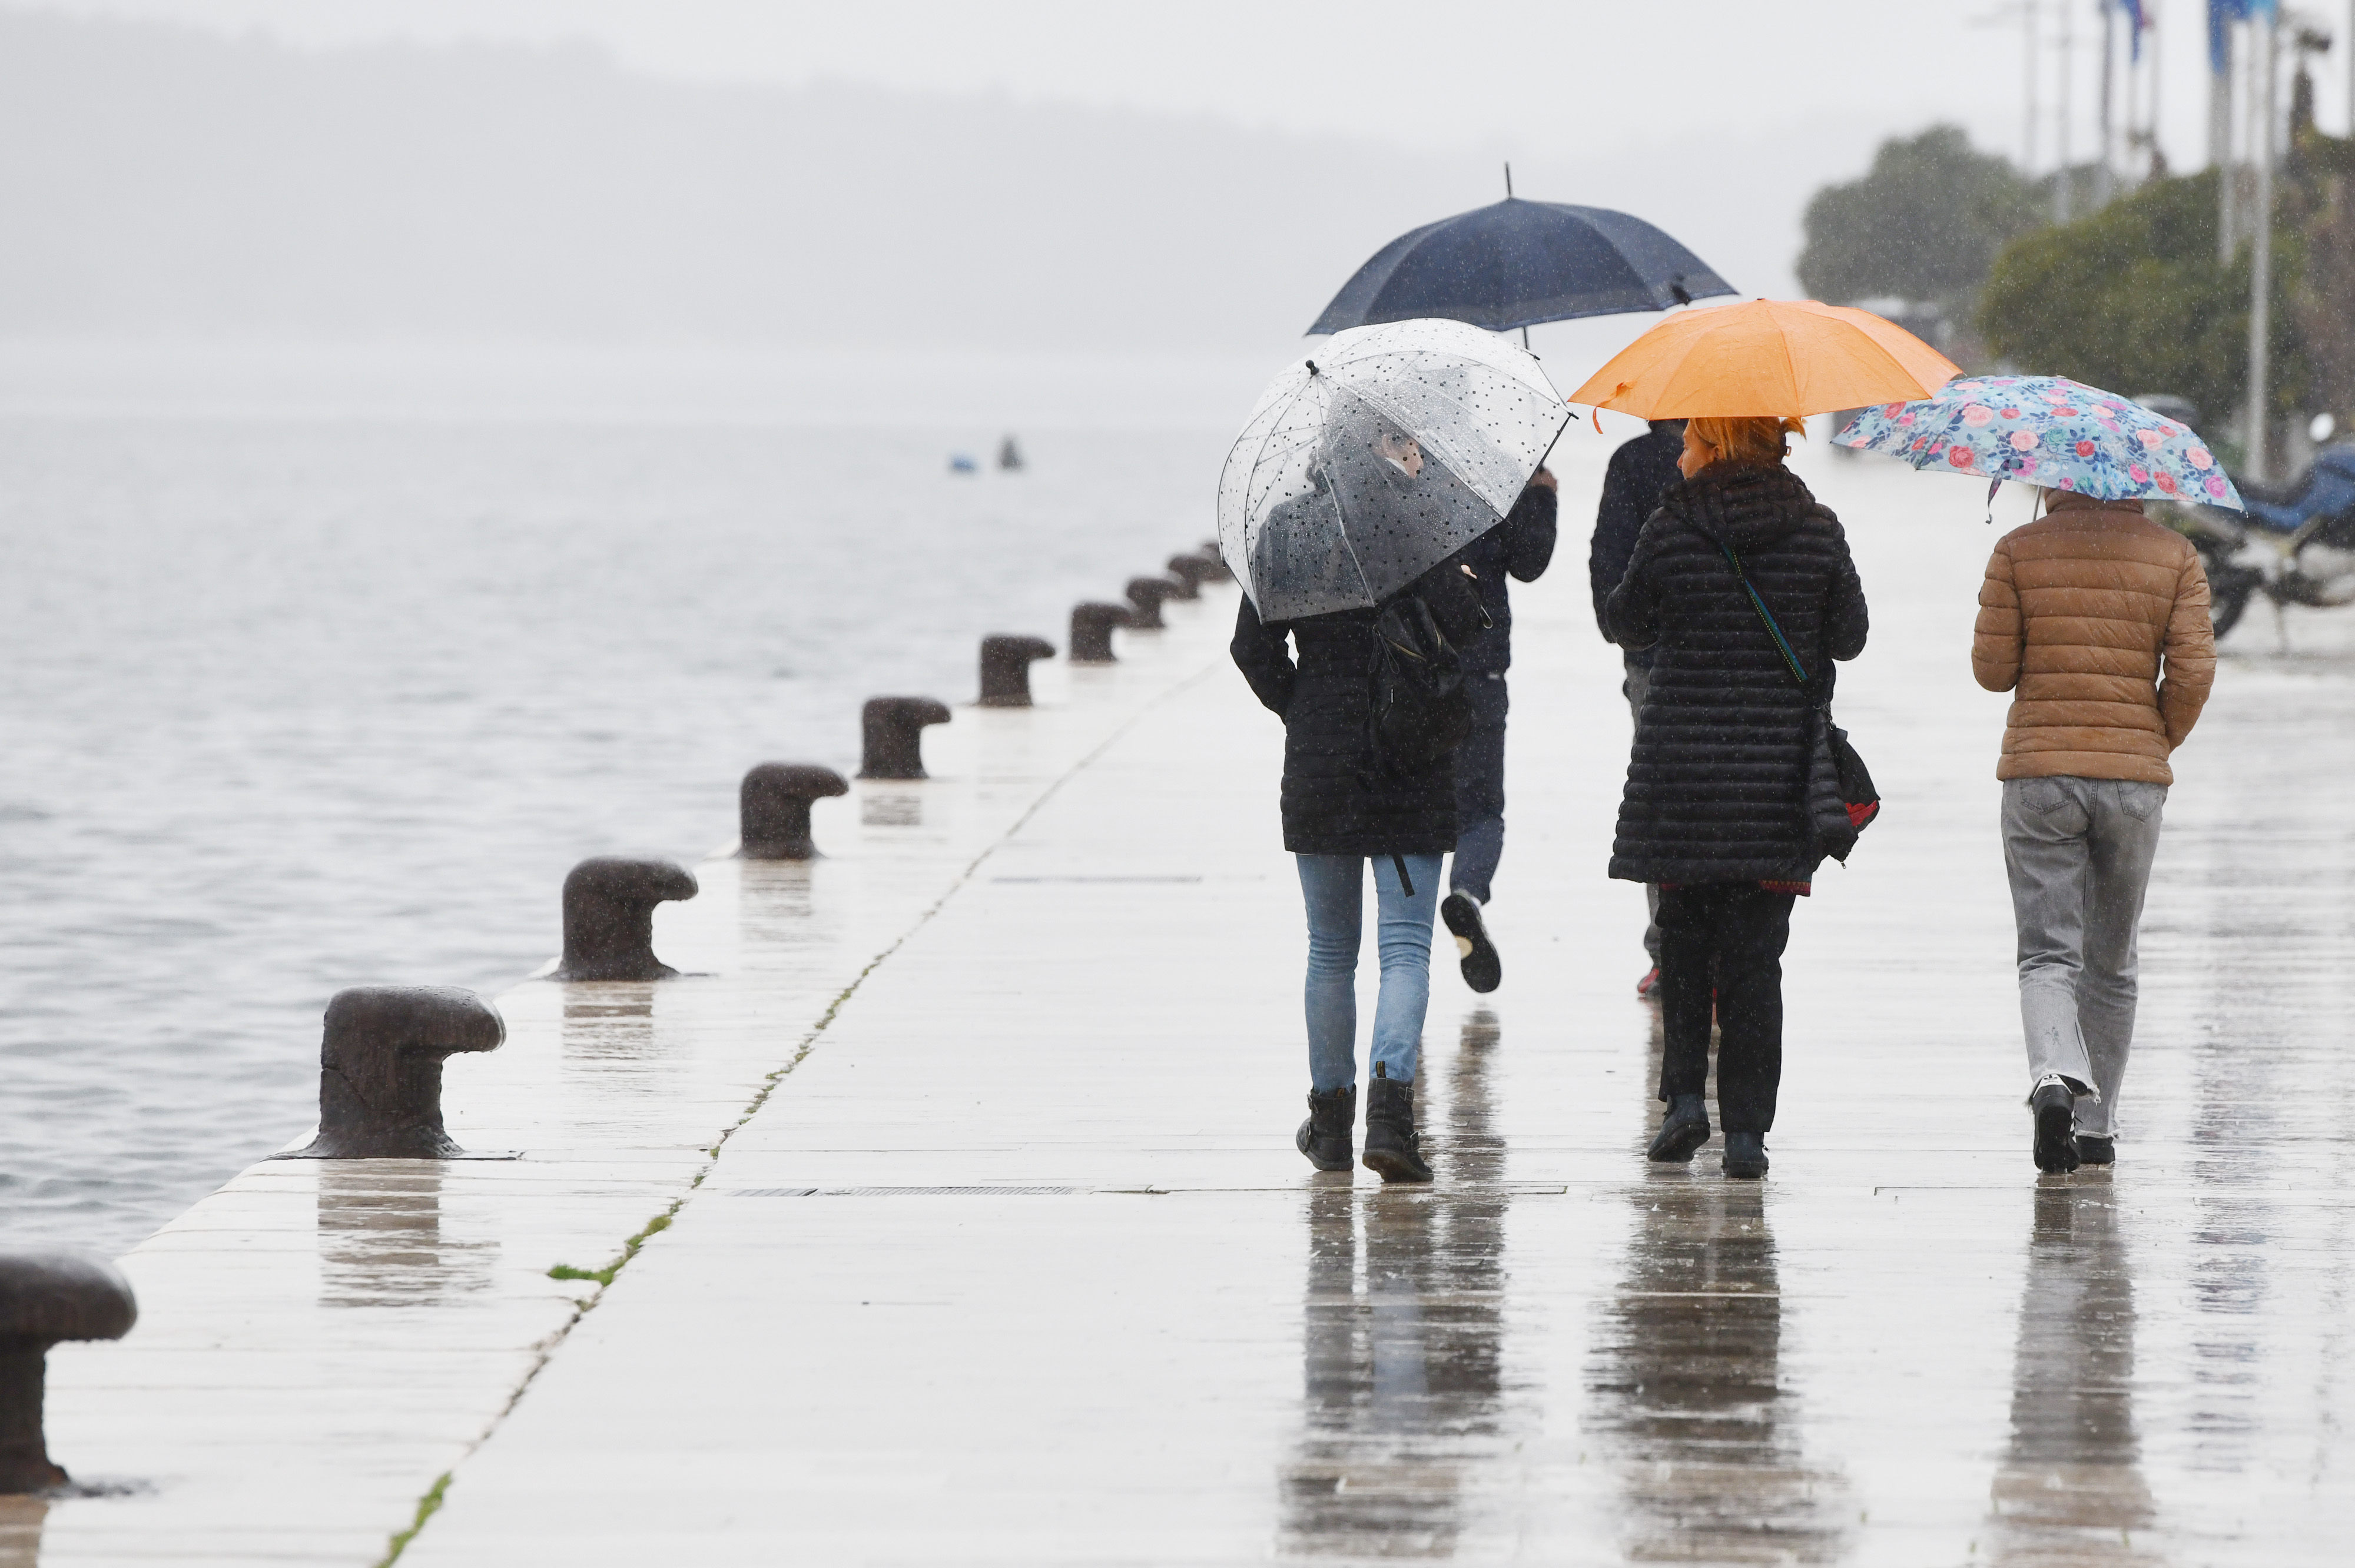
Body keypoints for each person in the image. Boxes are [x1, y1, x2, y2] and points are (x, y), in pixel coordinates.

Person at [1605, 415, 1868, 1179]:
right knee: (1757, 958)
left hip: (1683, 768)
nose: (1680, 450)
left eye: (1689, 439)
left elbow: (1623, 620)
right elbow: (1849, 634)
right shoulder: (1816, 527)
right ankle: (1747, 1134)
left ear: (1716, 444)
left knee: (1684, 943)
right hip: (1775, 771)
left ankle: (1686, 1104)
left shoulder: (1672, 523)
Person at [1232, 435, 1485, 1185]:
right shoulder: (1419, 520)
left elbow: (1253, 649)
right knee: (1405, 948)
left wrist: (1305, 706)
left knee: (1329, 950)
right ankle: (1391, 1118)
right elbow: (1468, 628)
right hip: (1410, 755)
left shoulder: (1285, 528)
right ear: (1387, 448)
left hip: (1323, 758)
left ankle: (1332, 1123)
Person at [1972, 487, 2213, 1174]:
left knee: (2047, 955)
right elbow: (2193, 672)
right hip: (2134, 782)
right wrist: (2151, 742)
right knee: (2112, 960)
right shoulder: (2176, 555)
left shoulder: (2017, 548)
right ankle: (2097, 1127)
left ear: (2054, 478)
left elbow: (1992, 673)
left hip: (2040, 776)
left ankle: (2053, 1075)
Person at [1437, 466, 1559, 995]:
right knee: (1482, 810)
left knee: (1413, 818)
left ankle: (1406, 946)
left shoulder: (1397, 488)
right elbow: (1529, 561)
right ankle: (1466, 892)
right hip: (1481, 669)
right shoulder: (1488, 474)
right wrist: (1540, 496)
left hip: (1412, 675)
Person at [1590, 419, 1688, 998]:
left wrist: (1626, 633)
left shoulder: (1632, 461)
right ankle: (1720, 954)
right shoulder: (1745, 460)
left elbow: (1607, 561)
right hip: (1725, 662)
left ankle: (1669, 953)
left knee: (1661, 800)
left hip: (1652, 664)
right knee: (1731, 801)